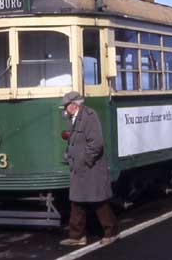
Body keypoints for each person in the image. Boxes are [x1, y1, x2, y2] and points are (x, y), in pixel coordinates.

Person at [59, 91, 119, 247]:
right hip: (79, 168)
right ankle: (77, 236)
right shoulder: (74, 118)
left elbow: (96, 144)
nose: (65, 109)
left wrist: (84, 160)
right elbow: (75, 142)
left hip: (91, 168)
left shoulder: (89, 116)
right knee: (77, 202)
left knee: (99, 201)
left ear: (74, 104)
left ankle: (111, 232)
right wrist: (69, 155)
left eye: (66, 106)